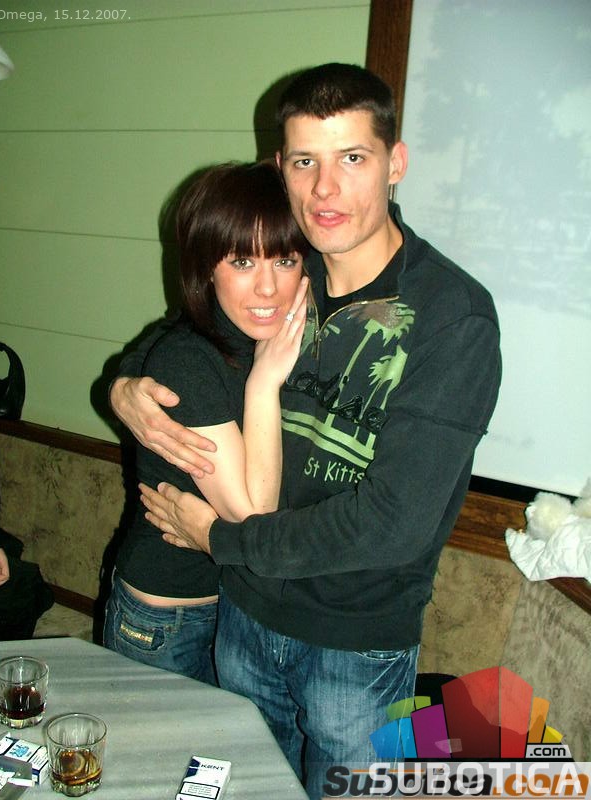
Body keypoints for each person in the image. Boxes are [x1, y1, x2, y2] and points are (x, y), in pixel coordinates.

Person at [112, 64, 501, 798]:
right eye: (304, 162)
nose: (326, 189)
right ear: (280, 169)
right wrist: (125, 382)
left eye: (352, 158)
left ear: (395, 163)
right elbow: (189, 327)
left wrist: (221, 539)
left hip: (353, 646)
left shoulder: (452, 316)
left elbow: (393, 525)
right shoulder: (292, 269)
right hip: (245, 616)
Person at [104, 161, 309, 684]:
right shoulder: (189, 361)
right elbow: (250, 517)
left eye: (284, 260)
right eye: (242, 261)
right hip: (172, 615)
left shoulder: (280, 338)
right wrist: (264, 384)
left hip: (249, 611)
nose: (267, 288)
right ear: (207, 268)